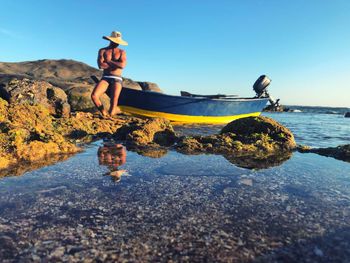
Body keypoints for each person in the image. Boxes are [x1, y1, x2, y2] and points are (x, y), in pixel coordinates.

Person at [91, 31, 128, 117]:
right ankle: (103, 112)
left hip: (117, 78)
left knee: (114, 100)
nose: (117, 44)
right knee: (94, 95)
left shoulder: (122, 52)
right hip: (106, 77)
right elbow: (100, 65)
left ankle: (112, 114)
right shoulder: (102, 50)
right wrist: (115, 64)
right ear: (111, 40)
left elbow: (122, 65)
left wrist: (108, 61)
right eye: (115, 41)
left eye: (118, 42)